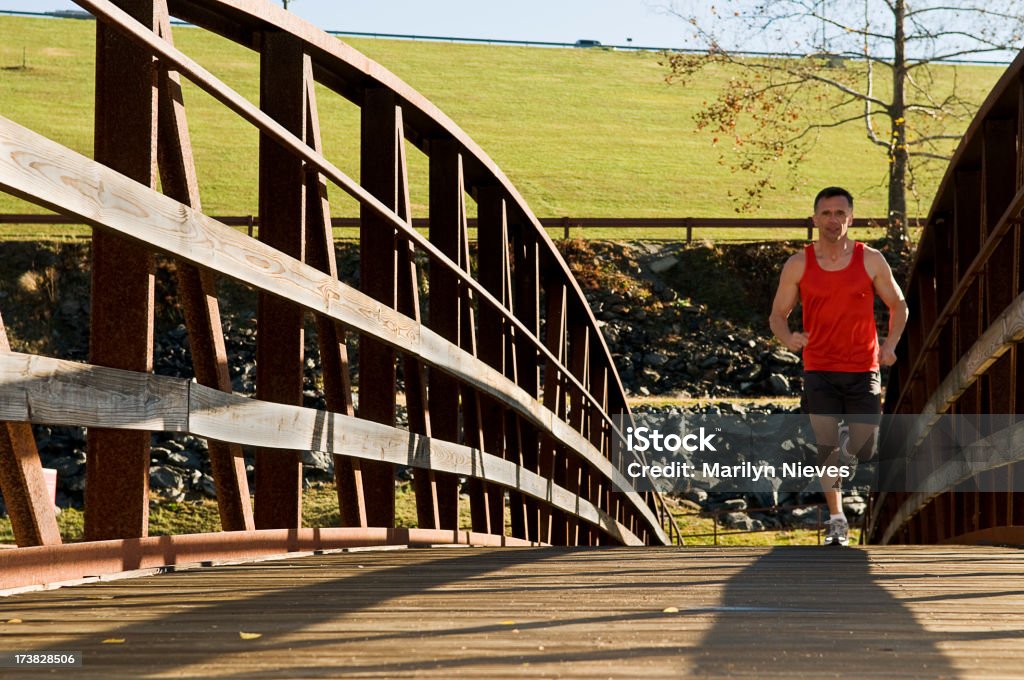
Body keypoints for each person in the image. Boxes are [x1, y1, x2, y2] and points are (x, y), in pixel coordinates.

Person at [769, 186, 908, 546]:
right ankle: (836, 519)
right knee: (826, 447)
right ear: (815, 219)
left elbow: (899, 305)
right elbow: (777, 316)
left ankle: (850, 449)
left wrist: (890, 344)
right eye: (826, 213)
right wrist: (789, 339)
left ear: (851, 218)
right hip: (819, 369)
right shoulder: (798, 263)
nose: (833, 220)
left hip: (863, 367)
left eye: (840, 213)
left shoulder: (871, 259)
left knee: (864, 448)